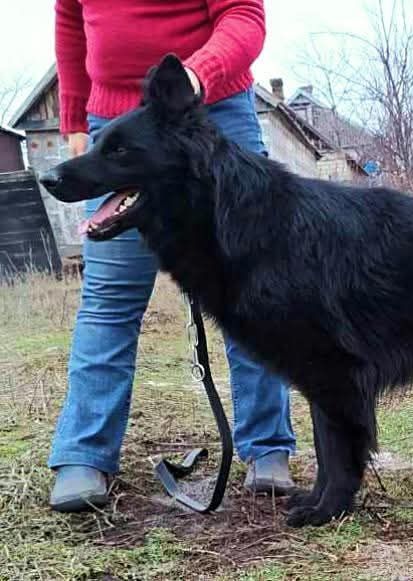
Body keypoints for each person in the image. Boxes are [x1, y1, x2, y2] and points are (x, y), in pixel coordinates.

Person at [48, 0, 296, 512]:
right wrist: (74, 117)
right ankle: (84, 454)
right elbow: (72, 22)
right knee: (110, 295)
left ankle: (267, 448)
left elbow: (244, 16)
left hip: (210, 110)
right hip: (114, 117)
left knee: (254, 288)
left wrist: (195, 76)